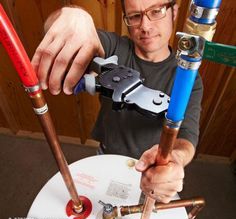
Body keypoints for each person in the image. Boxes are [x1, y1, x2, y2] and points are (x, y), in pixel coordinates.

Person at [31, 0, 203, 204]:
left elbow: (187, 138)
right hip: (105, 154)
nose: (145, 27)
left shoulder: (188, 79)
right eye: (135, 16)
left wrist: (175, 159)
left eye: (156, 11)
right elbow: (68, 31)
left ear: (174, 11)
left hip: (152, 170)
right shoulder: (114, 47)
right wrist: (74, 17)